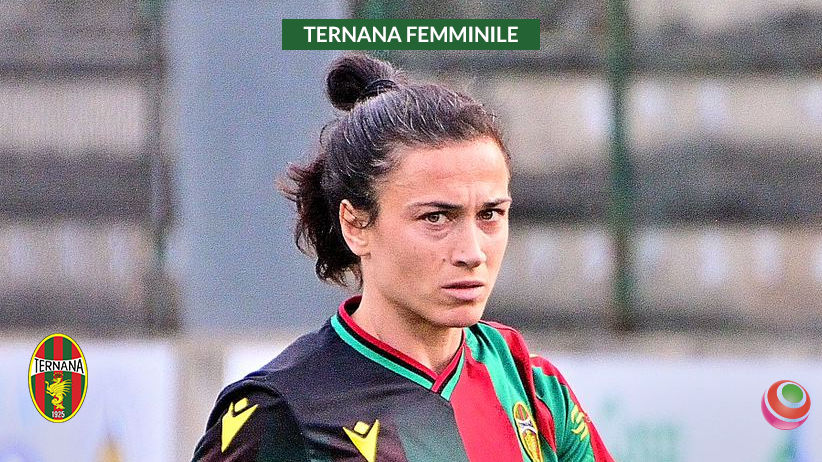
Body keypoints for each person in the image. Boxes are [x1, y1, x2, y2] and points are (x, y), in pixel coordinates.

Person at [192, 53, 613, 462]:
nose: (471, 252)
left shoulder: (531, 387)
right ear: (356, 225)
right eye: (435, 218)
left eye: (490, 214)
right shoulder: (281, 412)